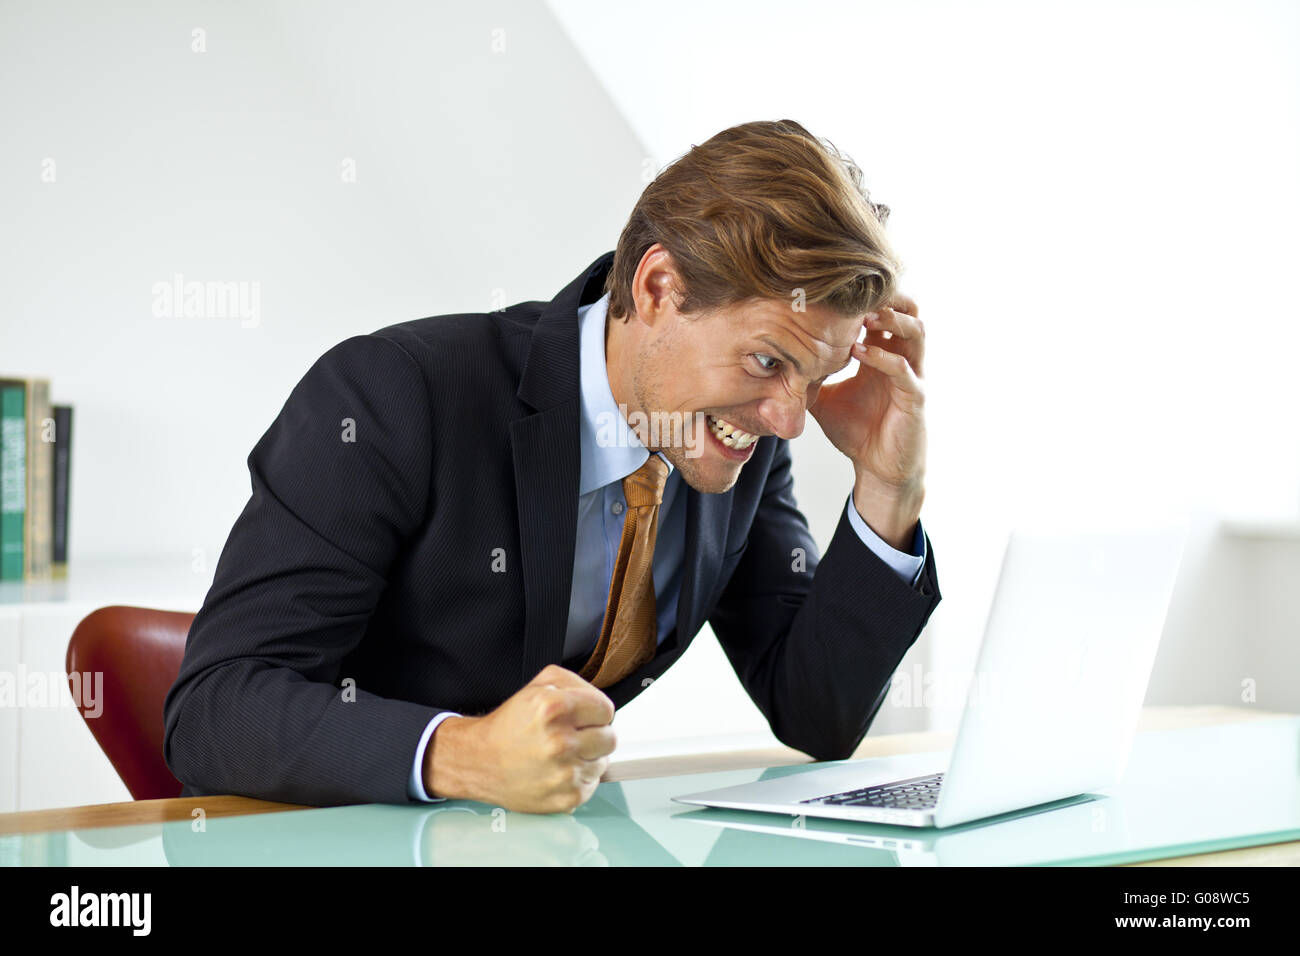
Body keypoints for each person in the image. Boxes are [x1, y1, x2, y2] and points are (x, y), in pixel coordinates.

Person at [162, 118, 942, 814]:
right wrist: (461, 754)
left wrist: (887, 486)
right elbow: (215, 709)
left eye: (813, 376)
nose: (789, 419)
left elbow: (817, 713)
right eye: (767, 360)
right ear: (659, 286)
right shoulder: (392, 395)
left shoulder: (739, 438)